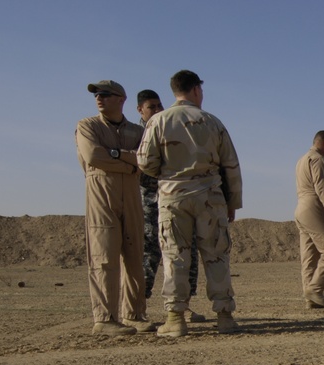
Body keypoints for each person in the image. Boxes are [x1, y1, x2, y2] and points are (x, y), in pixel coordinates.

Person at [137, 70, 242, 337]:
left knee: (175, 257)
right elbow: (231, 166)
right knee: (216, 255)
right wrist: (232, 202)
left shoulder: (158, 121)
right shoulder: (212, 122)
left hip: (173, 197)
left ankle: (175, 319)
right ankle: (225, 316)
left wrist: (170, 173)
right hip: (210, 197)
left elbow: (145, 162)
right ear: (196, 90)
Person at [75, 79, 152, 336]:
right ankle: (105, 318)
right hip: (101, 196)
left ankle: (134, 314)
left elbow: (146, 161)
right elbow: (94, 156)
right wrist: (127, 160)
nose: (99, 97)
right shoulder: (88, 126)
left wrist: (116, 156)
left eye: (105, 94)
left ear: (121, 99)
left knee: (134, 256)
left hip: (131, 195)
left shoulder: (136, 131)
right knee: (103, 257)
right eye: (97, 94)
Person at [136, 89, 205, 322]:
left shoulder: (167, 129)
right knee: (149, 254)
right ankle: (138, 306)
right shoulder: (137, 134)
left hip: (176, 199)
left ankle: (183, 305)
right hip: (148, 203)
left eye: (159, 106)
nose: (157, 110)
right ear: (140, 110)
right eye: (151, 107)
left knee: (186, 253)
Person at [294, 130, 324, 309]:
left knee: (309, 256)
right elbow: (322, 187)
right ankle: (315, 289)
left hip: (300, 208)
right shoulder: (318, 160)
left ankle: (311, 298)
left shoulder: (301, 160)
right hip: (314, 206)